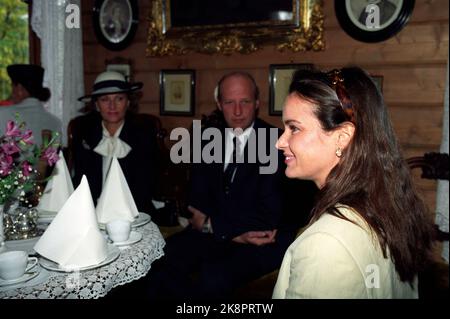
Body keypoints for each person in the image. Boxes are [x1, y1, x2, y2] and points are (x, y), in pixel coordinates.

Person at [145, 71, 316, 299]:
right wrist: (227, 231)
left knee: (213, 278)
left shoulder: (278, 143)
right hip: (218, 234)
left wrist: (213, 224)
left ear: (256, 103)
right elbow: (196, 200)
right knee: (157, 259)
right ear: (219, 104)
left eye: (244, 101)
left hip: (261, 243)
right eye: (229, 102)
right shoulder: (206, 139)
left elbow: (269, 215)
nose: (237, 111)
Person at [272, 66, 434, 298]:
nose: (280, 142)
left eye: (294, 128)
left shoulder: (326, 244)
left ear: (342, 137)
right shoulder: (387, 207)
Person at [70, 71, 159, 215]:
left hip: (134, 213)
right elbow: (80, 182)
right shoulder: (84, 136)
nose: (112, 106)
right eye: (105, 99)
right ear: (97, 105)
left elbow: (146, 187)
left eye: (119, 98)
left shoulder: (143, 136)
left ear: (128, 103)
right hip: (91, 212)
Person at [0, 64, 62, 146]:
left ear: (19, 89)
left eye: (12, 87)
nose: (11, 94)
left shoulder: (3, 114)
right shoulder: (56, 122)